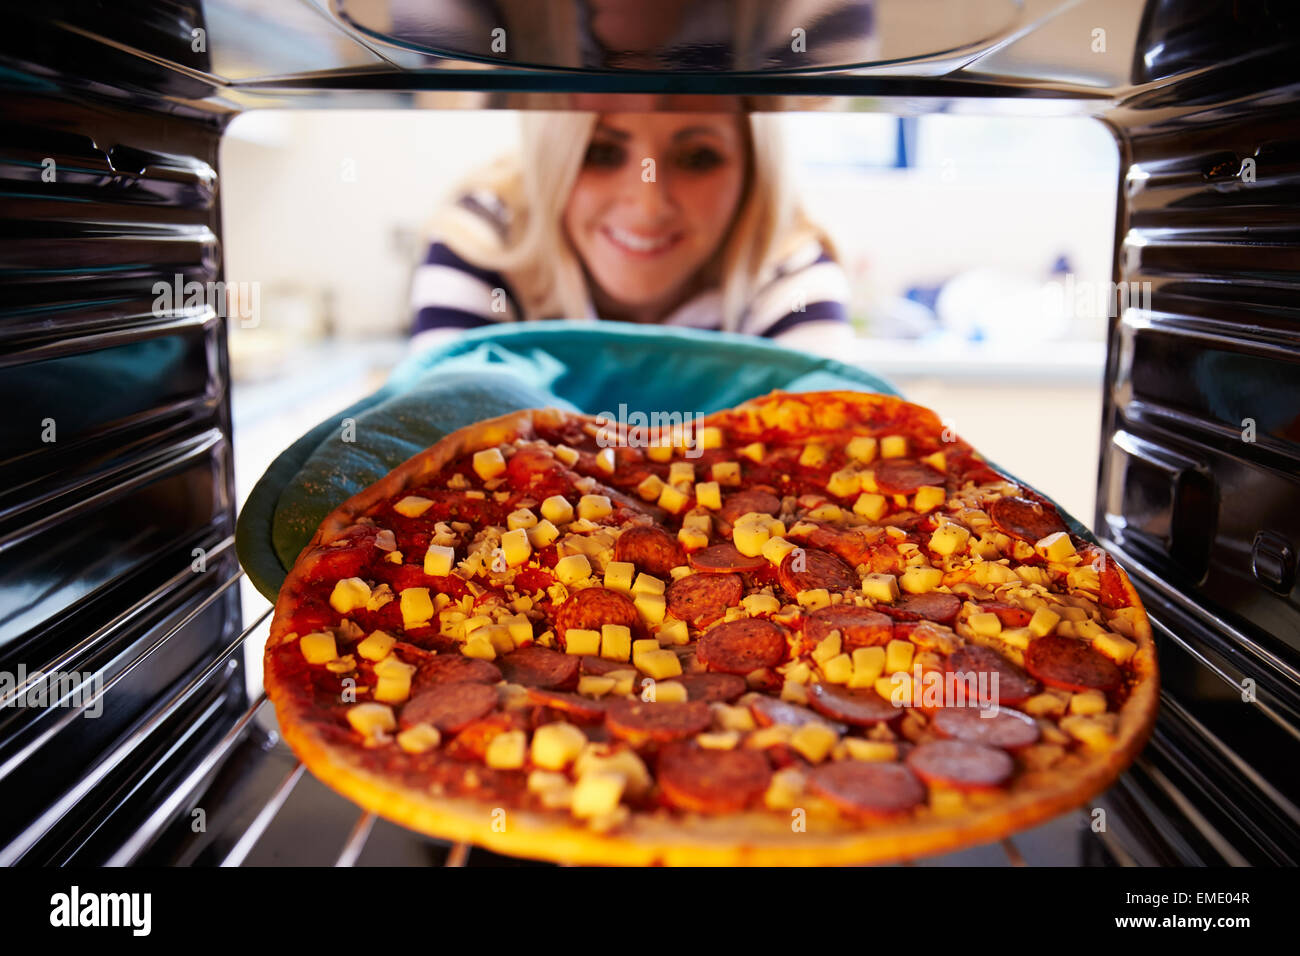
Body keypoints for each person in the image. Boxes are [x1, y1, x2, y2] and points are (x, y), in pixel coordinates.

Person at [408, 108, 854, 356]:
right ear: (551, 161)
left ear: (755, 169)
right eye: (600, 152)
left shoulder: (789, 264)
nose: (648, 206)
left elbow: (836, 445)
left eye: (698, 157)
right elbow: (434, 441)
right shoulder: (484, 242)